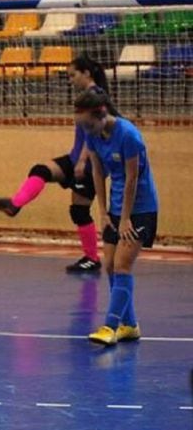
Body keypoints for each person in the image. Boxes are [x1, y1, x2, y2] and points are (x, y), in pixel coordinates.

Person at [0, 54, 119, 274]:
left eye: (73, 75)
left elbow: (95, 132)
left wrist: (83, 161)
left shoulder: (97, 97)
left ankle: (92, 258)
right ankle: (15, 204)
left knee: (79, 211)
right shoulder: (88, 95)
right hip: (73, 157)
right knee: (40, 170)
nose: (71, 80)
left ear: (86, 73)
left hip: (87, 164)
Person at [75, 88, 158, 346]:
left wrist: (125, 219)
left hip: (140, 208)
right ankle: (130, 325)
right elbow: (98, 174)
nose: (86, 131)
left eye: (88, 125)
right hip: (115, 207)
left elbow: (132, 177)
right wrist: (102, 212)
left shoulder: (129, 135)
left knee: (122, 266)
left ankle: (110, 326)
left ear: (102, 114)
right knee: (110, 266)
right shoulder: (94, 136)